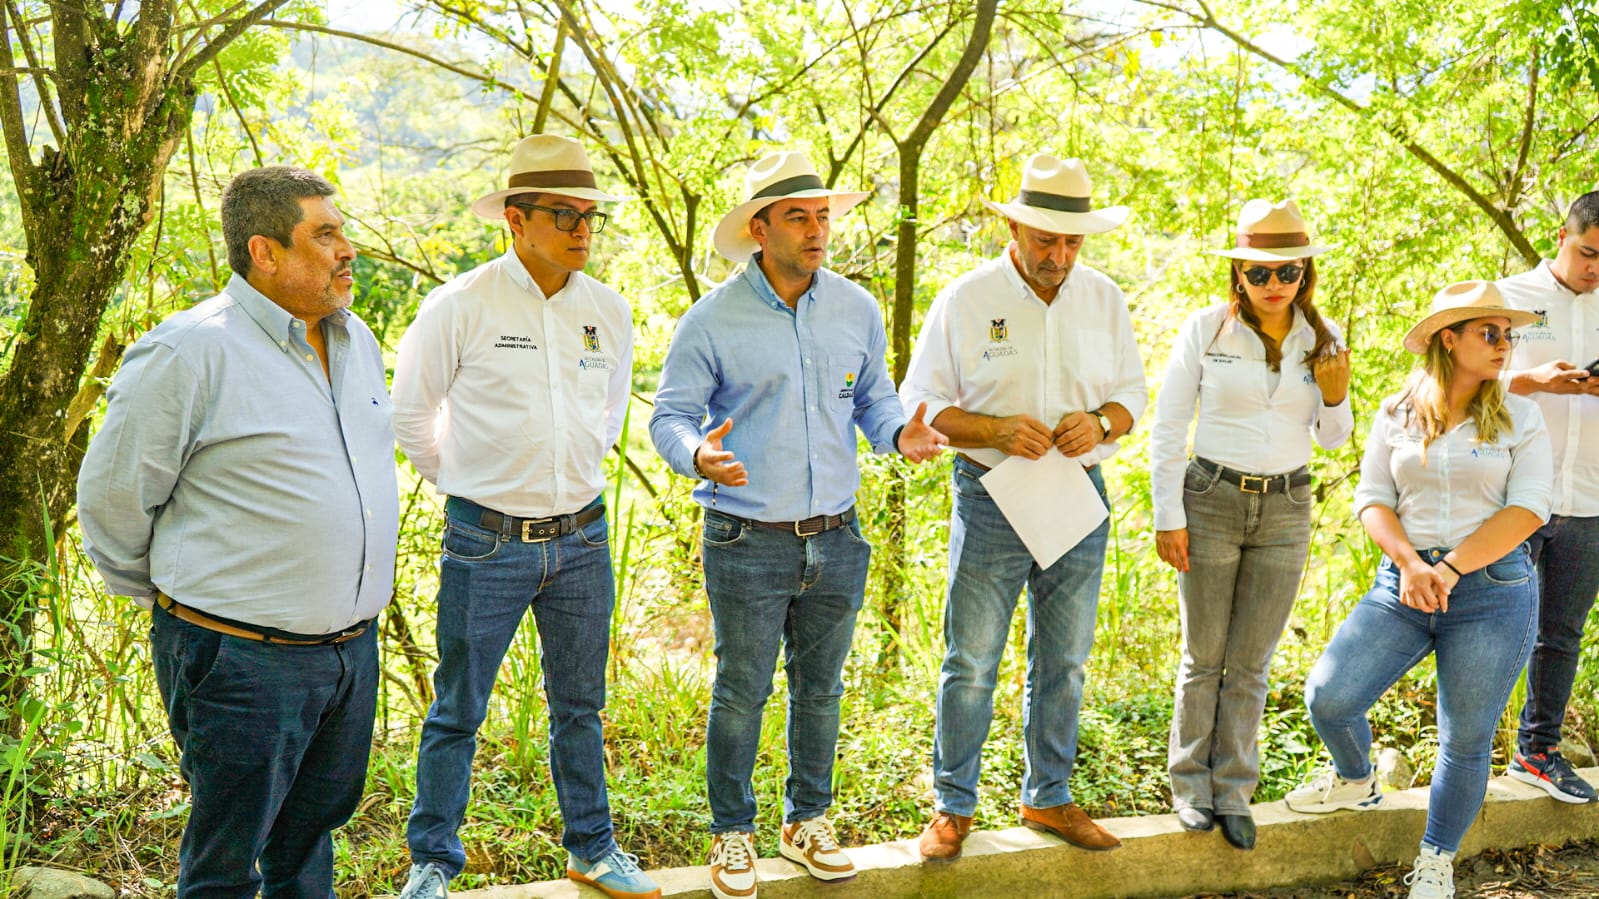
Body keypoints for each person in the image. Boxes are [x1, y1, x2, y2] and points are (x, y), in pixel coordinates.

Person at [77, 166, 399, 898]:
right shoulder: (189, 351)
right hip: (241, 660)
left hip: (349, 655)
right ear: (265, 251)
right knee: (227, 862)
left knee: (309, 844)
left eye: (341, 229)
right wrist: (186, 610)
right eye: (325, 233)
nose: (347, 247)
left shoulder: (357, 339)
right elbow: (113, 499)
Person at [649, 150, 946, 899]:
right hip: (747, 537)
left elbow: (875, 400)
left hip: (836, 535)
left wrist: (897, 434)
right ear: (758, 228)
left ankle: (805, 819)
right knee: (742, 688)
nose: (817, 231)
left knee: (821, 689)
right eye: (798, 218)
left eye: (822, 216)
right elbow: (670, 416)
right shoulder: (712, 319)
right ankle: (732, 832)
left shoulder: (855, 308)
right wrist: (695, 457)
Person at [389, 135, 659, 899]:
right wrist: (473, 489)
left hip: (582, 538)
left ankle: (593, 850)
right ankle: (433, 862)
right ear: (515, 219)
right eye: (563, 214)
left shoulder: (606, 309)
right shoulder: (462, 303)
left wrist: (565, 478)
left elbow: (607, 413)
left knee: (581, 706)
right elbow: (411, 416)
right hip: (486, 541)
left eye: (589, 216)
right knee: (457, 708)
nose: (581, 229)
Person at [900, 154, 1146, 862]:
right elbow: (922, 407)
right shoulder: (966, 297)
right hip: (989, 492)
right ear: (1013, 225)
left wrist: (1100, 424)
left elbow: (1131, 395)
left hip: (1077, 492)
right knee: (970, 658)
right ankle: (952, 805)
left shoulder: (1102, 297)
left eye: (1071, 242)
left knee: (1063, 657)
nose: (1059, 256)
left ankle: (1048, 794)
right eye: (1046, 240)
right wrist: (996, 429)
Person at [1284, 281, 1550, 899]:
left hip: (1491, 590)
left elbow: (1530, 508)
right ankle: (1356, 779)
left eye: (1508, 335)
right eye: (1490, 332)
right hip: (1402, 585)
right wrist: (1409, 563)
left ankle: (1436, 860)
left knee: (1464, 737)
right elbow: (1373, 499)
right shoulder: (1397, 411)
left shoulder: (1521, 413)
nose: (1503, 345)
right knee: (1329, 695)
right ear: (1447, 339)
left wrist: (1450, 569)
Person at [1149, 199, 1353, 850]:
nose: (1273, 285)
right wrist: (1167, 514)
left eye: (1285, 272)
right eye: (1259, 273)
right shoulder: (1205, 330)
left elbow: (1332, 441)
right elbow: (1165, 428)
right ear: (1237, 273)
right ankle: (1189, 786)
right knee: (1203, 656)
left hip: (1287, 504)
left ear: (1303, 272)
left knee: (1251, 663)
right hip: (1209, 496)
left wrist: (1336, 390)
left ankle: (1233, 789)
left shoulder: (1322, 339)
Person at [1497, 190, 1599, 804]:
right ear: (1562, 235)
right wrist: (1534, 381)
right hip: (1516, 496)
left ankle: (1538, 752)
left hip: (1590, 497)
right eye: (1589, 253)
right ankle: (1464, 750)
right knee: (1492, 625)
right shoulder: (1509, 299)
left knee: (1562, 632)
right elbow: (1460, 381)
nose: (1596, 269)